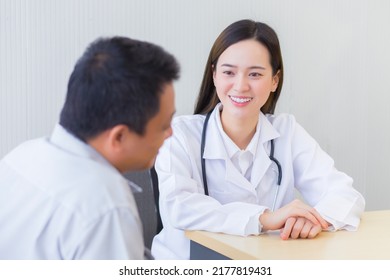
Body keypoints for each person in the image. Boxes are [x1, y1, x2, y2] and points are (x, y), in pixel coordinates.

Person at [151, 19, 365, 260]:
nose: (240, 86)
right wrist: (264, 218)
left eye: (254, 74)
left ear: (274, 80)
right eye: (229, 72)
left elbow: (345, 195)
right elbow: (178, 207)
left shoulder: (287, 131)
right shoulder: (178, 135)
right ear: (214, 75)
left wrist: (316, 220)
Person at [0, 36, 179, 259]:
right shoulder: (106, 207)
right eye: (163, 126)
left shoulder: (21, 155)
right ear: (119, 137)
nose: (170, 133)